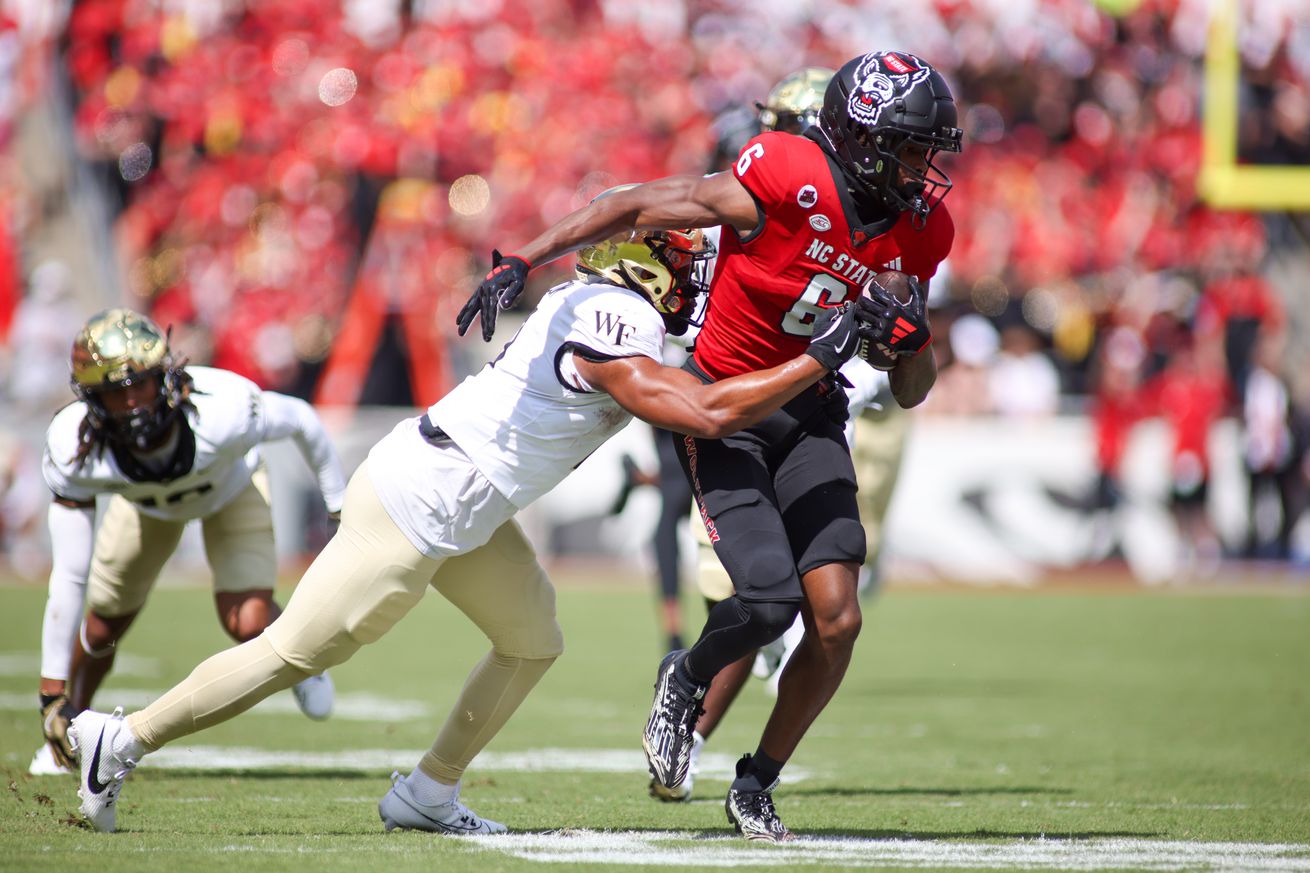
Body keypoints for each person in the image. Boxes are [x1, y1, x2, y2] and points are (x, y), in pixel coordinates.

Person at [66, 224, 872, 833]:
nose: (697, 281)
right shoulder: (613, 317)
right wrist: (818, 359)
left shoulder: (608, 307)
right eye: (687, 267)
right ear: (645, 267)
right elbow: (699, 407)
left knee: (532, 637)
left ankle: (429, 790)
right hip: (427, 497)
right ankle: (123, 737)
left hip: (469, 501)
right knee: (291, 653)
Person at [455, 50, 962, 841]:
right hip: (721, 405)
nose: (922, 167)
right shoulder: (787, 175)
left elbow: (913, 385)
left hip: (811, 414)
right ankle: (685, 679)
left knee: (837, 619)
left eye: (928, 149)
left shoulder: (920, 229)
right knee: (766, 601)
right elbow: (642, 205)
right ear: (861, 139)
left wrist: (912, 340)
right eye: (909, 147)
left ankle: (755, 781)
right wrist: (527, 257)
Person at [33, 308, 344, 777]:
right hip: (145, 507)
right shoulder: (75, 447)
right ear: (93, 399)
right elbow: (70, 573)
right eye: (118, 392)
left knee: (247, 620)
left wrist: (338, 506)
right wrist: (50, 692)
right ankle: (71, 731)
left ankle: (304, 658)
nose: (135, 401)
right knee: (101, 627)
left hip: (230, 489)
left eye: (141, 383)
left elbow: (302, 420)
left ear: (166, 375)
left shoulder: (223, 410)